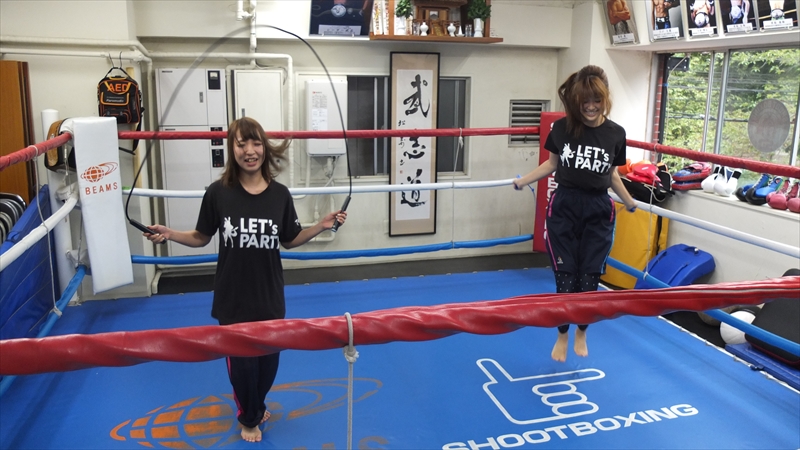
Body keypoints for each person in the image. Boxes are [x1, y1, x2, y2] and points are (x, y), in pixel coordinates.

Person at [143, 117, 346, 443]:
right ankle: (248, 417)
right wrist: (170, 233)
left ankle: (257, 404)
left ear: (264, 148)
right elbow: (201, 236)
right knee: (243, 367)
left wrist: (320, 226)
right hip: (233, 297)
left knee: (267, 365)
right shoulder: (218, 193)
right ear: (231, 148)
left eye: (255, 143)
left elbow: (290, 239)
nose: (249, 151)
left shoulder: (280, 195)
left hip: (269, 295)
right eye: (241, 144)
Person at [513, 65, 638, 363]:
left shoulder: (615, 134)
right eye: (585, 102)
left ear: (605, 99)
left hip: (598, 209)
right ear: (576, 101)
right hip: (565, 207)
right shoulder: (562, 128)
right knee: (565, 277)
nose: (591, 107)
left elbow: (612, 175)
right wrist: (523, 180)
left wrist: (629, 200)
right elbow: (551, 164)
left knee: (589, 278)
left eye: (596, 100)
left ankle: (582, 330)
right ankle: (562, 334)